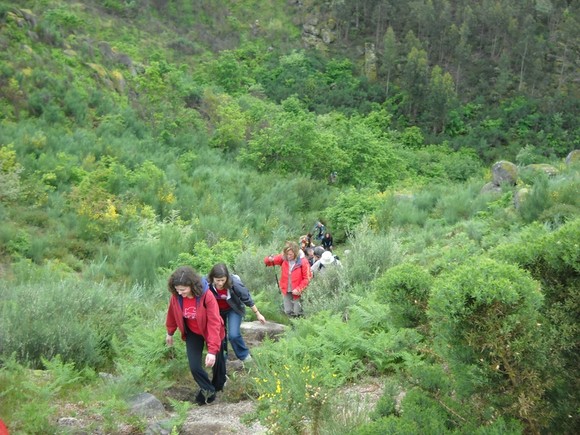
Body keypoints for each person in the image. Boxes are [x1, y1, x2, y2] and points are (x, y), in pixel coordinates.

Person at [165, 266, 226, 405]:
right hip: (193, 332)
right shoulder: (176, 297)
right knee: (194, 366)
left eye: (183, 289)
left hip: (212, 330)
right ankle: (208, 391)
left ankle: (219, 385)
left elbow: (214, 323)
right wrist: (170, 332)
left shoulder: (206, 296)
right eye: (177, 289)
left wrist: (212, 351)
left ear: (192, 285)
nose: (180, 292)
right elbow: (172, 314)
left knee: (217, 364)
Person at [207, 263, 266, 363]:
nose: (220, 283)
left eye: (223, 280)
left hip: (233, 309)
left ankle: (244, 356)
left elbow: (247, 298)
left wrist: (258, 314)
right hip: (216, 311)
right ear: (212, 278)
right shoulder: (206, 284)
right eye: (217, 280)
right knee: (219, 334)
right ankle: (222, 357)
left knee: (233, 335)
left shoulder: (234, 283)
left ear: (227, 278)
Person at [264, 241, 311, 317]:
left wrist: (299, 289)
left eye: (290, 254)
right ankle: (291, 323)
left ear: (295, 253)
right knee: (288, 311)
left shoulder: (303, 261)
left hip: (298, 291)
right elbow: (267, 262)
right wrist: (269, 259)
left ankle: (298, 323)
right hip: (286, 289)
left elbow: (307, 278)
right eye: (287, 254)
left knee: (297, 312)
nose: (288, 256)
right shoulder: (284, 258)